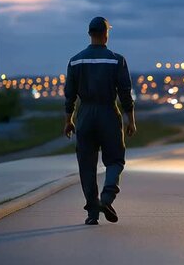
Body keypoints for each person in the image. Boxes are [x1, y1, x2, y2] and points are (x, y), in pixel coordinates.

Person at [64, 16, 137, 225]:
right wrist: (131, 119)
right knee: (115, 160)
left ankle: (92, 214)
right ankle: (106, 198)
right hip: (108, 113)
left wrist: (68, 120)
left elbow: (69, 94)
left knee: (86, 165)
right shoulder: (117, 60)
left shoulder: (75, 60)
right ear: (106, 34)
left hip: (85, 115)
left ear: (89, 34)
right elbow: (125, 94)